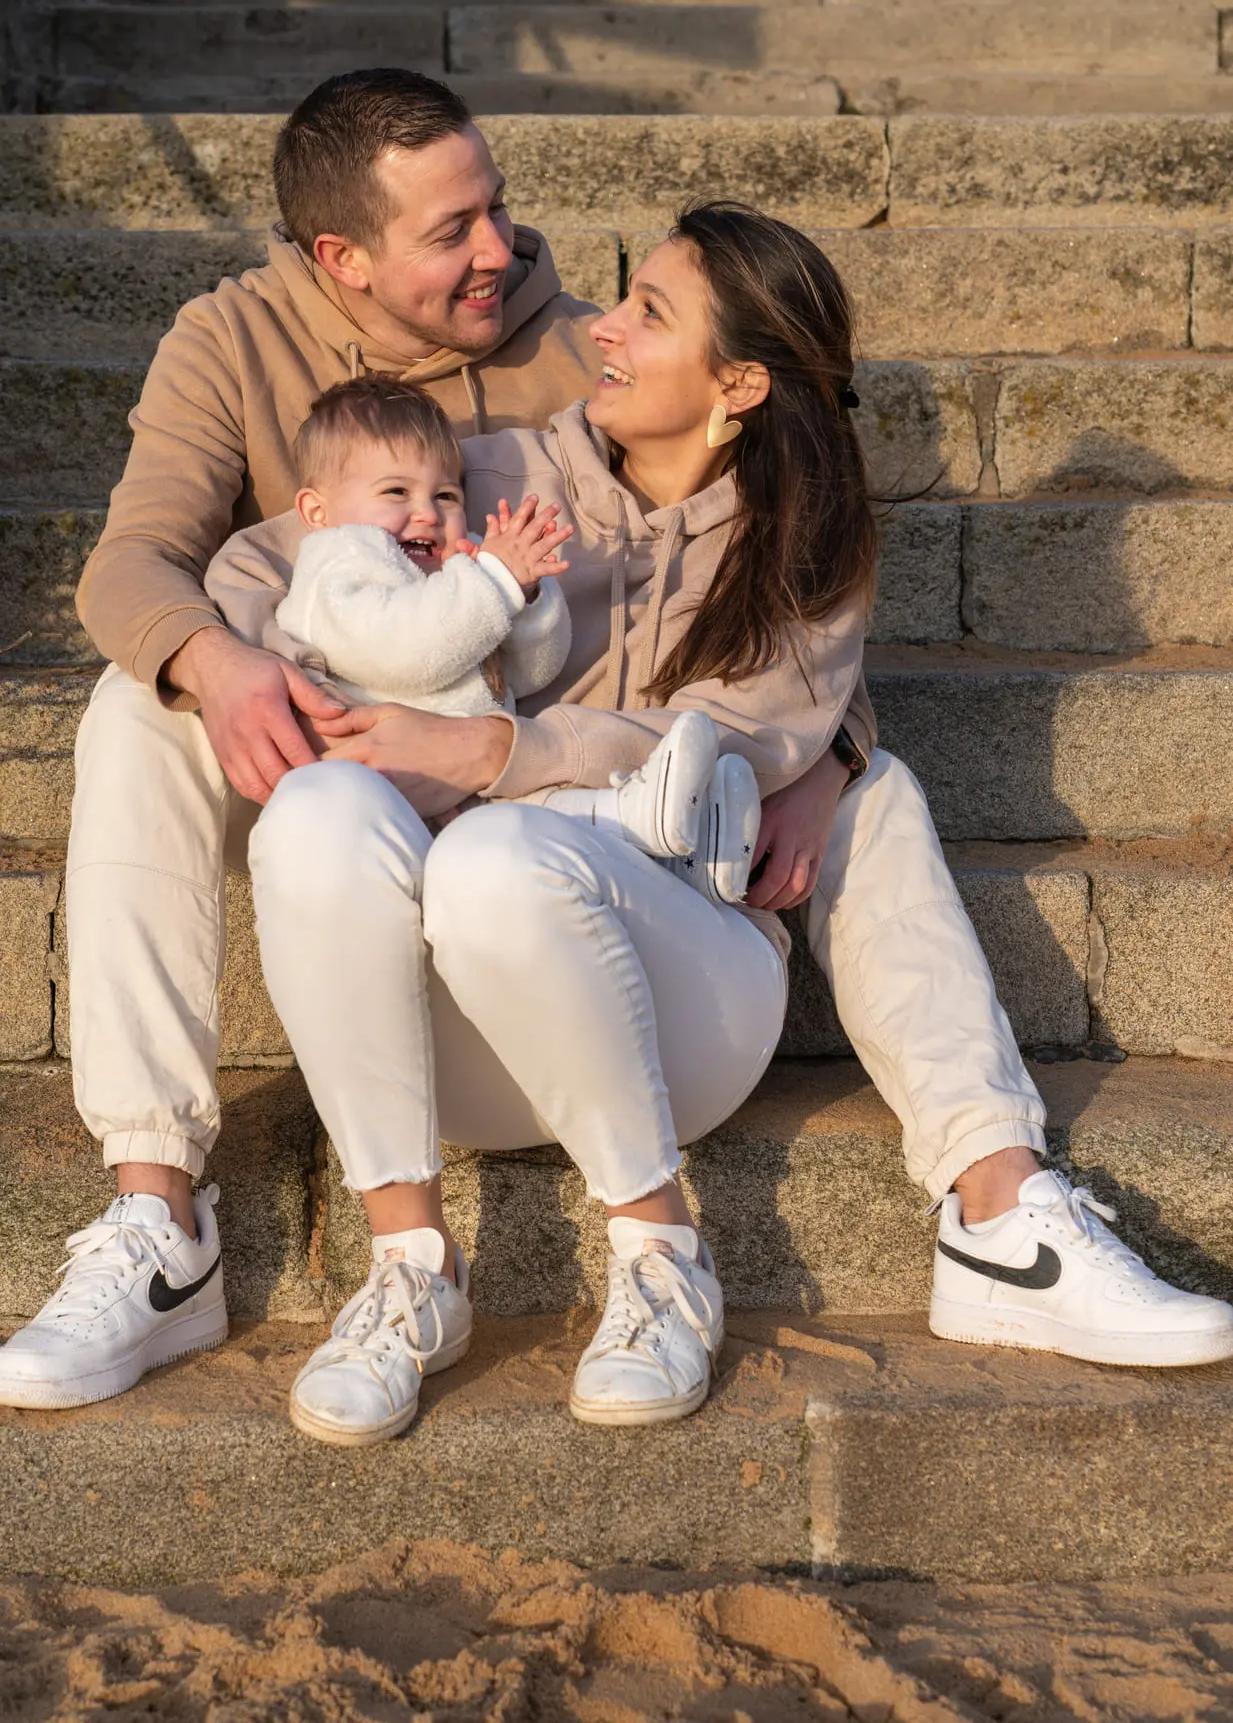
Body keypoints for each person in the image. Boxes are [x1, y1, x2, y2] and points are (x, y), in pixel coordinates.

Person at [0, 75, 1226, 1423]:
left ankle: (1001, 1208)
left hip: (613, 879)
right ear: (343, 257)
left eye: (502, 210)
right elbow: (152, 571)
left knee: (868, 788)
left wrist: (813, 757)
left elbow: (794, 662)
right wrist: (239, 659)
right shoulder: (357, 397)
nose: (510, 259)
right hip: (419, 852)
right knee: (143, 705)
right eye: (456, 228)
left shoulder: (602, 366)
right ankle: (162, 1213)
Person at [206, 374, 760, 897]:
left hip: (470, 780)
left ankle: (689, 846)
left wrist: (529, 600)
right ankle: (648, 827)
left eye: (445, 495)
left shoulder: (457, 568)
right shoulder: (337, 565)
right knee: (540, 822)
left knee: (543, 817)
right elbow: (405, 652)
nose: (426, 514)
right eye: (396, 492)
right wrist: (495, 581)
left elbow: (530, 670)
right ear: (317, 511)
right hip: (380, 792)